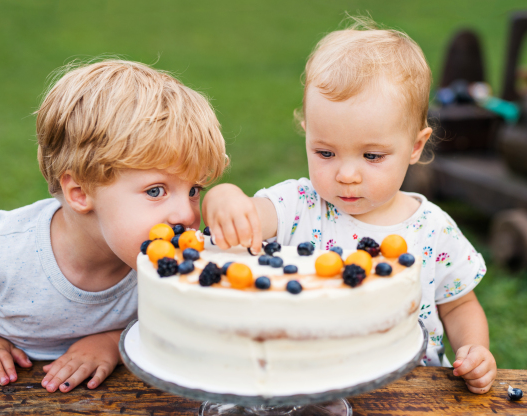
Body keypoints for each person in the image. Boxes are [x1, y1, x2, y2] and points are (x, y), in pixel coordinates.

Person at [202, 18, 497, 394]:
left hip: (409, 389)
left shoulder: (433, 229)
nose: (346, 175)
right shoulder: (299, 205)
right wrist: (225, 197)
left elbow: (458, 305)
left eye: (372, 156)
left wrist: (476, 350)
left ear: (415, 147)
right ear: (307, 132)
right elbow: (249, 216)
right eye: (325, 152)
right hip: (307, 385)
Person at [0, 60, 227, 393]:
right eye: (155, 191)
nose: (186, 214)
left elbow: (181, 321)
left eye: (194, 190)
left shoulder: (171, 262)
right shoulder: (4, 252)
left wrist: (113, 342)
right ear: (80, 193)